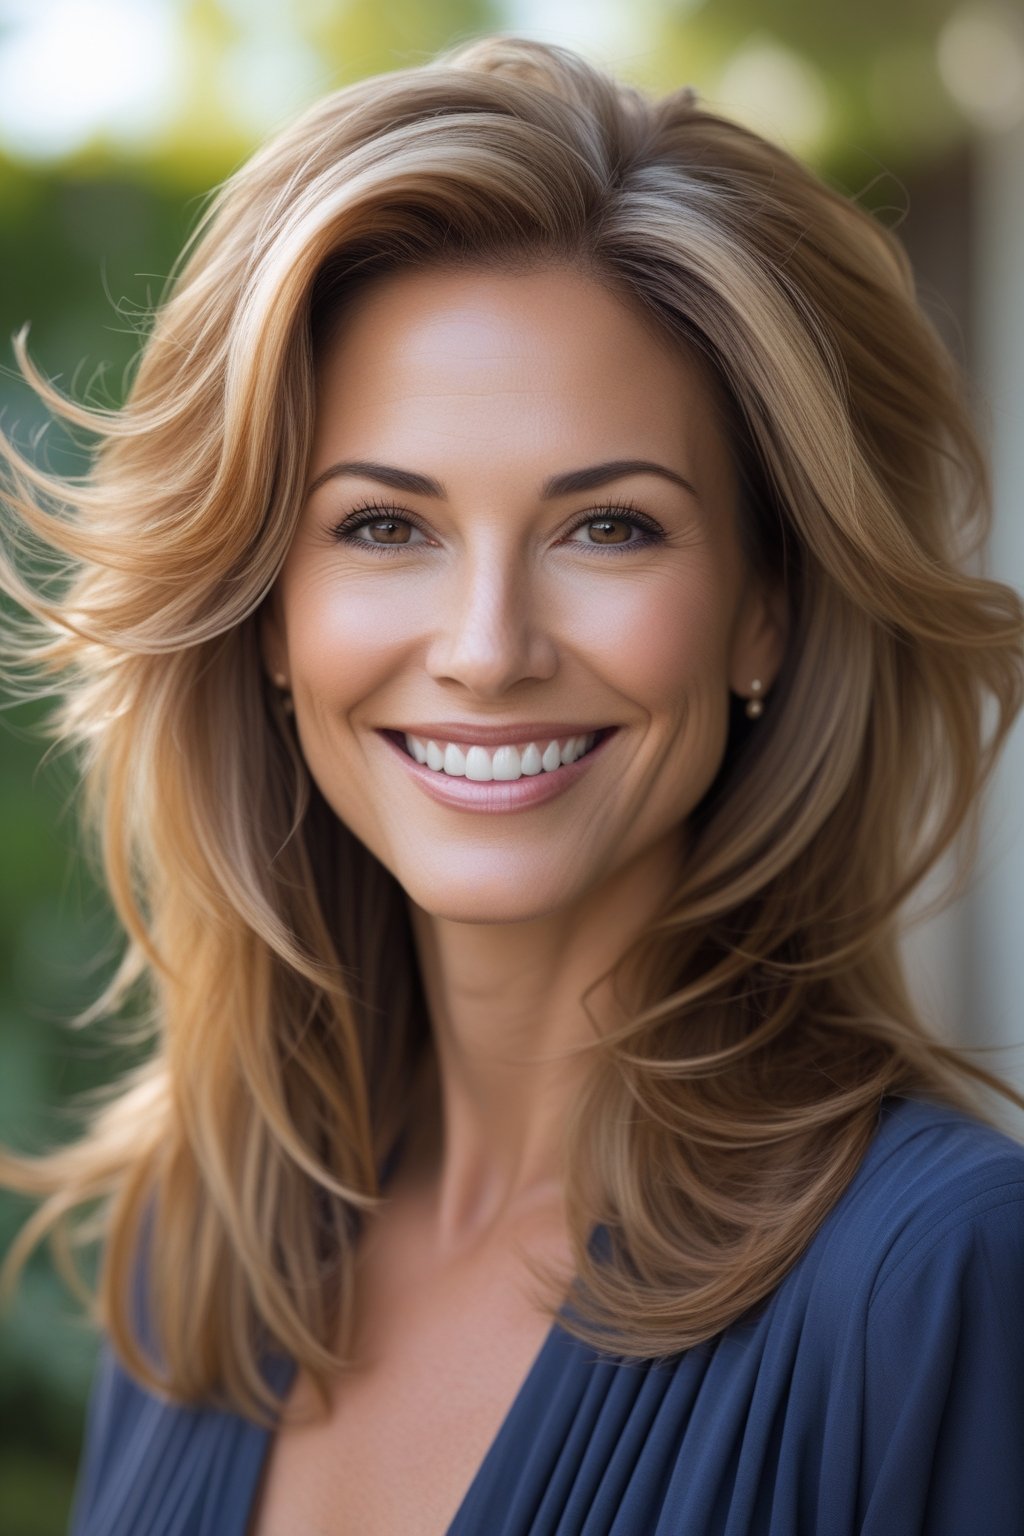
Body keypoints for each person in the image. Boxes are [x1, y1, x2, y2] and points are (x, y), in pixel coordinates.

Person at [1, 31, 1023, 1536]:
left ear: (766, 607)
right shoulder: (201, 1259)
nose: (486, 651)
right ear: (269, 617)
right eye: (381, 528)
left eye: (608, 528)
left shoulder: (939, 1280)